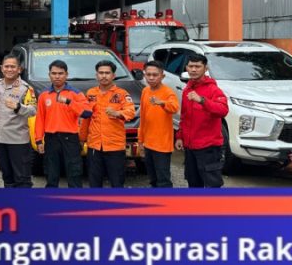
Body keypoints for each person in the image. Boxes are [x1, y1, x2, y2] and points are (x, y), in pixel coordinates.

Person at [35, 60, 92, 188]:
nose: (57, 76)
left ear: (67, 74)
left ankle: (75, 203)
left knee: (74, 172)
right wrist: (38, 140)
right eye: (54, 73)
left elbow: (87, 113)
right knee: (51, 173)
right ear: (49, 75)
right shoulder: (44, 95)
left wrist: (69, 102)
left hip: (70, 139)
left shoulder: (75, 93)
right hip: (51, 139)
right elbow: (40, 119)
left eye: (60, 73)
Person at [175, 53, 229, 188]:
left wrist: (202, 100)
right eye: (191, 66)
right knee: (193, 183)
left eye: (197, 66)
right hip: (190, 147)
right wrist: (180, 136)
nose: (193, 70)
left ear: (205, 68)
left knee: (212, 184)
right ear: (186, 68)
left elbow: (223, 110)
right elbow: (184, 116)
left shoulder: (213, 89)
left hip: (208, 148)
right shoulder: (188, 88)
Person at [82, 60, 136, 188]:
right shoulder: (90, 93)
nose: (104, 76)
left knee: (117, 182)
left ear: (113, 75)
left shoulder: (122, 94)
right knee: (94, 182)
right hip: (95, 145)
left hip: (114, 146)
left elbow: (131, 111)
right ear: (96, 75)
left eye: (107, 73)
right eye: (101, 73)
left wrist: (117, 113)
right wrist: (82, 138)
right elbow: (86, 118)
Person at [0, 54, 37, 188]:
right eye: (6, 66)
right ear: (1, 68)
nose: (9, 69)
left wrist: (19, 107)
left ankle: (24, 206)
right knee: (7, 176)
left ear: (19, 69)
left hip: (18, 141)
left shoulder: (26, 89)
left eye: (13, 67)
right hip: (1, 140)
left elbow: (33, 110)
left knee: (22, 178)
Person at [138, 60, 179, 188]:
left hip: (162, 145)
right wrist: (140, 140)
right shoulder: (145, 91)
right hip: (148, 143)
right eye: (148, 74)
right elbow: (143, 117)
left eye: (155, 75)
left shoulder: (168, 92)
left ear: (162, 76)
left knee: (163, 180)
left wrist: (162, 103)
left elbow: (174, 108)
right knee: (153, 179)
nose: (151, 77)